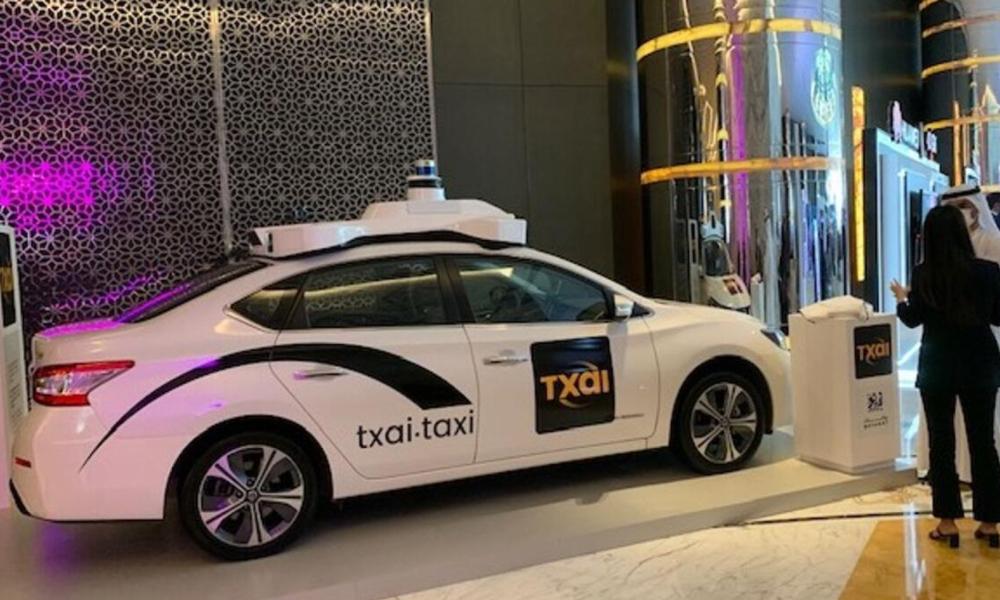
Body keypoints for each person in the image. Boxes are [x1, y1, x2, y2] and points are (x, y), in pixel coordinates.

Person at [891, 204, 1000, 548]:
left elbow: (912, 319)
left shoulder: (925, 274)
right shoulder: (988, 272)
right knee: (983, 443)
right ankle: (990, 523)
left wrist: (902, 299)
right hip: (981, 364)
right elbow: (997, 316)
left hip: (938, 366)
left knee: (941, 443)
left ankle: (948, 522)